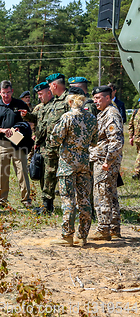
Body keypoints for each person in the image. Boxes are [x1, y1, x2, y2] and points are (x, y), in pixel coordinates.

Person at [48, 94, 98, 246]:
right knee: (84, 200)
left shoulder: (67, 117)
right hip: (84, 163)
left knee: (68, 199)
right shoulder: (91, 118)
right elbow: (94, 141)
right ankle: (83, 236)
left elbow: (55, 138)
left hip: (68, 164)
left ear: (70, 102)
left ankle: (67, 236)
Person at [0, 80, 31, 209]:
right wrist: (2, 130)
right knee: (2, 172)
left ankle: (26, 199)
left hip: (18, 143)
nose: (6, 96)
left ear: (12, 91)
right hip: (2, 144)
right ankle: (2, 200)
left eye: (8, 93)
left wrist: (21, 127)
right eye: (4, 93)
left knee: (22, 172)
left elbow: (29, 122)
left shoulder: (20, 104)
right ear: (0, 92)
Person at [89, 86, 124, 241]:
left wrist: (107, 162)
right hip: (104, 160)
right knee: (111, 194)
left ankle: (104, 229)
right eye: (94, 98)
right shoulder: (104, 113)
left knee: (102, 194)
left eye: (98, 98)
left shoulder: (111, 113)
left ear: (108, 98)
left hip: (105, 162)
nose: (95, 101)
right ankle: (114, 228)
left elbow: (116, 141)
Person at [36, 73, 70, 214]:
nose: (49, 88)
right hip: (51, 146)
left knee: (66, 178)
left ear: (54, 85)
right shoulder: (55, 101)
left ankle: (69, 207)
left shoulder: (69, 100)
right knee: (48, 175)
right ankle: (46, 205)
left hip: (65, 147)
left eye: (50, 85)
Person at [21, 82, 54, 184]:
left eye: (41, 94)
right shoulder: (39, 107)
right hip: (40, 145)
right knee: (40, 171)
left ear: (48, 93)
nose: (39, 97)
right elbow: (35, 119)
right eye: (38, 94)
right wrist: (26, 115)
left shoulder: (56, 106)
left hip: (52, 144)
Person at [129, 99, 140, 180]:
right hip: (137, 139)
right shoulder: (136, 112)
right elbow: (131, 125)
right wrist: (130, 137)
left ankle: (137, 172)